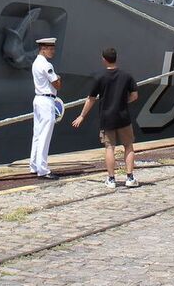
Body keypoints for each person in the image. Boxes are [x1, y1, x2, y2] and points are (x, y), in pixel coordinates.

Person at [71, 47, 140, 189]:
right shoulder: (126, 76)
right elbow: (134, 95)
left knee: (109, 147)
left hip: (107, 117)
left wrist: (82, 116)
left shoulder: (99, 77)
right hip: (123, 117)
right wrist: (122, 101)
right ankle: (130, 177)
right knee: (128, 146)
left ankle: (111, 179)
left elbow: (91, 99)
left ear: (104, 59)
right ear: (116, 58)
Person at [29, 37, 62, 179]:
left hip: (38, 99)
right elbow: (57, 85)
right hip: (46, 100)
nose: (53, 51)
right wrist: (59, 78)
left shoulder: (36, 63)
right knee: (45, 135)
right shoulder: (47, 65)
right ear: (43, 49)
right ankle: (42, 169)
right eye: (50, 49)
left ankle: (34, 165)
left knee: (37, 134)